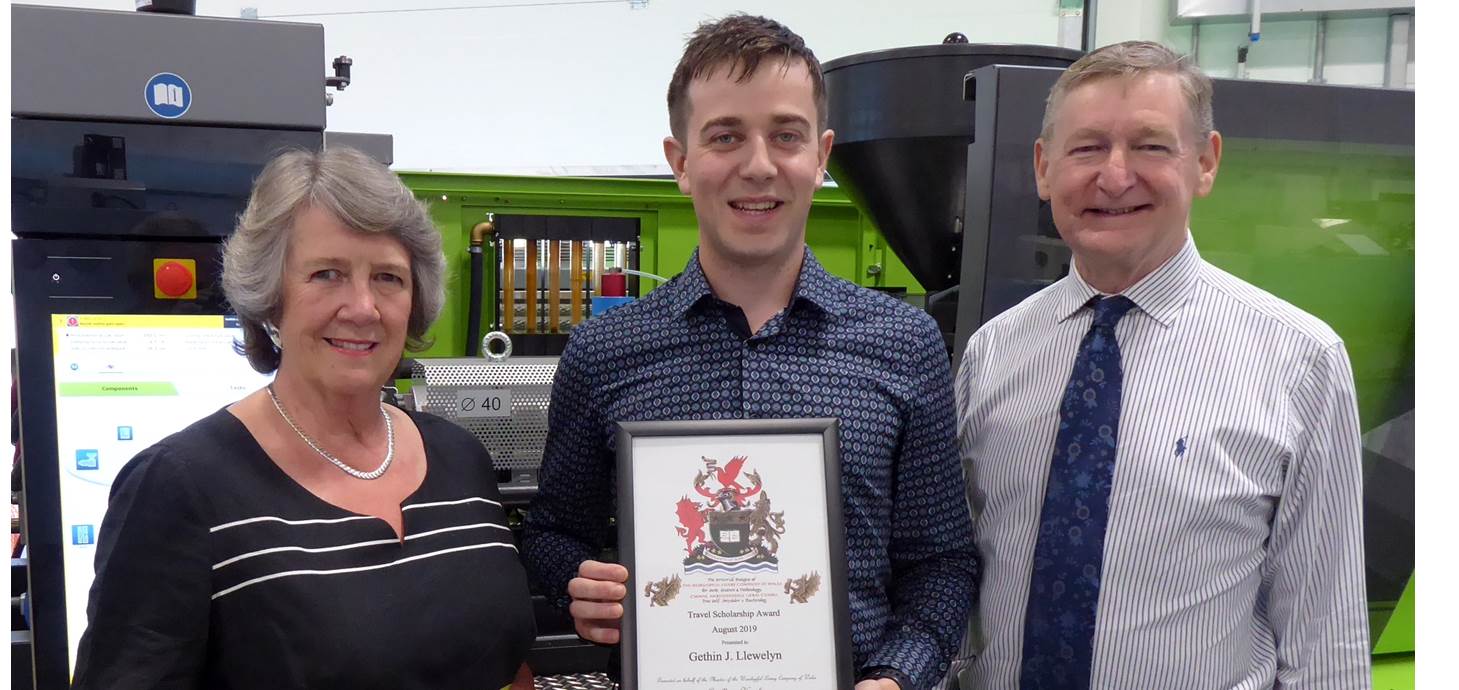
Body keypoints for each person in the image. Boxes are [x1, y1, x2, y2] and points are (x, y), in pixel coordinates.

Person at [521, 14, 976, 690]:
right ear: (680, 161)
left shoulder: (902, 345)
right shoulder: (604, 351)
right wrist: (576, 584)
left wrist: (894, 678)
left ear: (821, 156)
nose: (758, 165)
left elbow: (941, 563)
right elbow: (552, 531)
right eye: (725, 136)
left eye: (785, 136)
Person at [952, 41, 1370, 689]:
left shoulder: (1299, 360)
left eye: (1149, 146)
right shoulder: (992, 354)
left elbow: (1325, 637)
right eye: (1086, 147)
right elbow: (954, 572)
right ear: (1043, 167)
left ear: (1204, 163)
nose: (1114, 177)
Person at [72, 146, 536, 689]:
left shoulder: (461, 459)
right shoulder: (178, 488)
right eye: (327, 274)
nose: (362, 308)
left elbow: (506, 663)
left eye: (388, 278)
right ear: (271, 299)